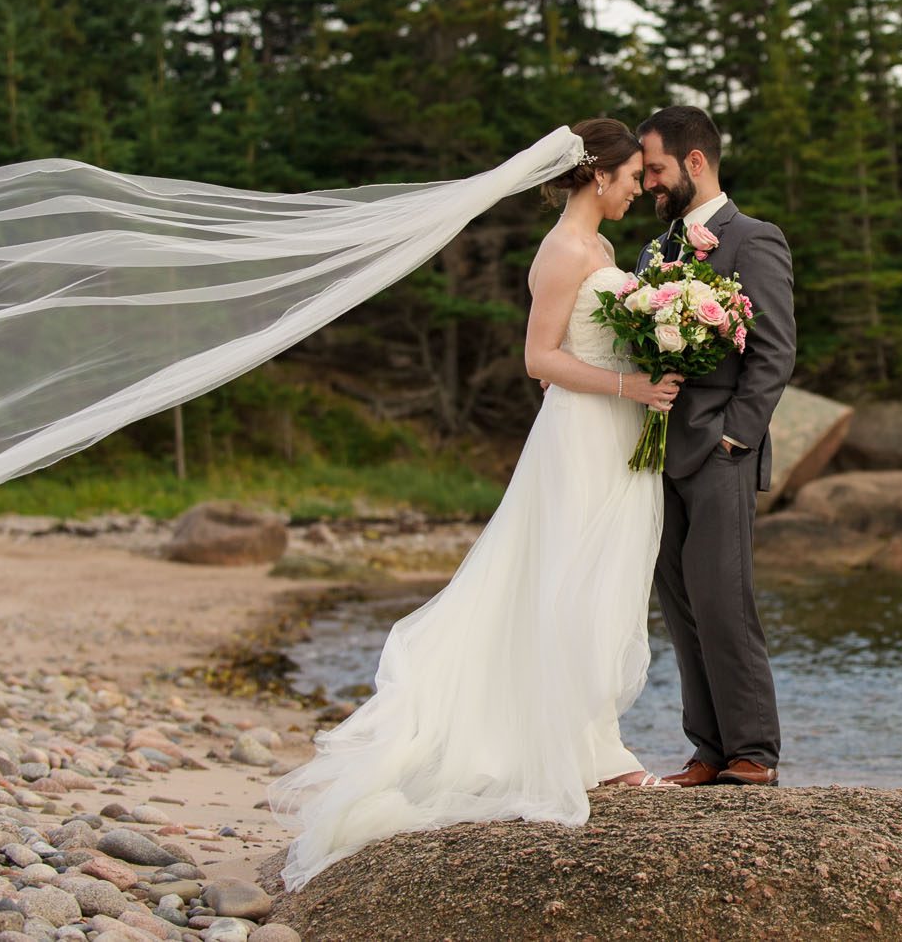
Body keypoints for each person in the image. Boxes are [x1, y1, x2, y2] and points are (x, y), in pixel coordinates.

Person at [269, 117, 685, 890]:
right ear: (599, 175)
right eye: (632, 176)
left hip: (618, 427)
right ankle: (580, 754)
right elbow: (540, 358)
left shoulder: (600, 249)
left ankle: (596, 743)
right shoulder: (564, 251)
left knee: (603, 582)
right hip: (581, 433)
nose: (638, 188)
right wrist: (633, 384)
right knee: (567, 580)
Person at [633, 106, 796, 789]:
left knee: (725, 600)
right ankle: (706, 748)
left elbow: (775, 349)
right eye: (643, 173)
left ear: (695, 161)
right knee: (681, 605)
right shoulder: (652, 251)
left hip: (720, 451)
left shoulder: (753, 239)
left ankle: (753, 749)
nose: (647, 183)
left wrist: (738, 433)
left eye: (656, 169)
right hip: (659, 450)